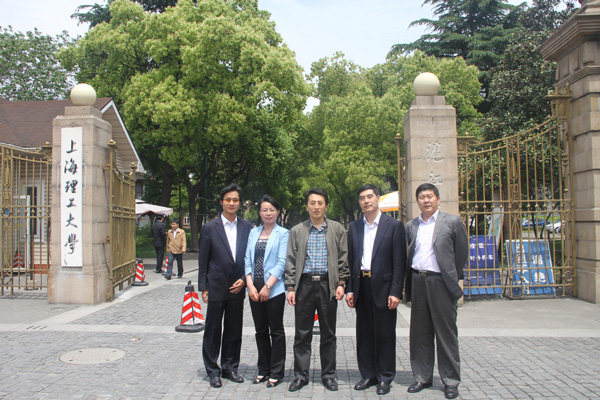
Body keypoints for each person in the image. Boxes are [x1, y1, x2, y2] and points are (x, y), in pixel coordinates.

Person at [405, 183, 468, 400]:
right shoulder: (411, 225)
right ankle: (422, 377)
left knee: (446, 334)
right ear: (417, 201)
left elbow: (461, 253)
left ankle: (450, 380)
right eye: (422, 197)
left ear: (438, 199)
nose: (426, 200)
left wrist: (450, 276)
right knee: (420, 334)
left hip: (441, 283)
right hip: (418, 281)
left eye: (429, 196)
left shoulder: (452, 222)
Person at [285, 188, 349, 392]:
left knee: (328, 333)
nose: (316, 207)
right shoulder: (297, 231)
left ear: (326, 206)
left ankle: (328, 374)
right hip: (304, 285)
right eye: (312, 203)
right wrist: (291, 287)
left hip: (327, 285)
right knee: (302, 333)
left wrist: (341, 283)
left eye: (320, 203)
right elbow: (291, 260)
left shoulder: (337, 229)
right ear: (307, 206)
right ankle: (300, 375)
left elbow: (343, 258)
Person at [346, 184, 407, 395]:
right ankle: (368, 374)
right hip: (361, 285)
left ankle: (385, 376)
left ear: (377, 198)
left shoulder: (394, 226)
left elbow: (399, 261)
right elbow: (351, 261)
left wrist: (396, 291)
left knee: (385, 334)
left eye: (370, 196)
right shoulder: (354, 227)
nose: (366, 201)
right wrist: (350, 289)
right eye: (362, 198)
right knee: (364, 333)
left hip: (385, 287)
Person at [198, 183, 252, 388]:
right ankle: (213, 370)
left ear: (240, 203)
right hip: (216, 285)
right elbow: (203, 259)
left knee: (233, 329)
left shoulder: (247, 227)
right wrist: (203, 287)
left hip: (238, 285)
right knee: (213, 329)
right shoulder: (209, 228)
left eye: (235, 200)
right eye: (228, 199)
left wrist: (245, 280)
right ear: (221, 202)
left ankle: (230, 367)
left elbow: (249, 257)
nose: (231, 203)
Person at [244, 195, 289, 388]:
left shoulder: (283, 233)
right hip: (254, 289)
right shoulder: (253, 232)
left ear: (277, 212)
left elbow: (282, 262)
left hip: (274, 289)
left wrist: (268, 286)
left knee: (276, 330)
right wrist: (250, 285)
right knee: (260, 330)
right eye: (264, 210)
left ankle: (276, 371)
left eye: (272, 210)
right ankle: (263, 369)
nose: (268, 213)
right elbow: (247, 259)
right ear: (260, 212)